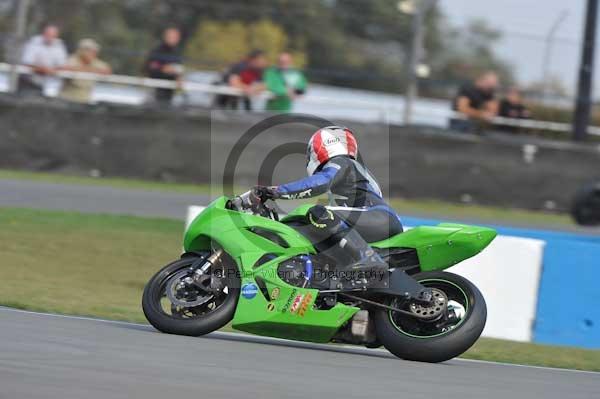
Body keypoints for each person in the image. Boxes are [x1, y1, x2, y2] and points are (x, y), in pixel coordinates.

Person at [252, 126, 432, 302]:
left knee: (317, 212)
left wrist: (276, 191)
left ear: (322, 147)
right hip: (373, 220)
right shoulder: (351, 171)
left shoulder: (342, 162)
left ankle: (368, 259)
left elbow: (319, 183)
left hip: (377, 217)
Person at [19, 24, 67, 96]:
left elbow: (62, 65)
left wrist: (51, 70)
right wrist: (43, 69)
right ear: (43, 33)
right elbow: (27, 62)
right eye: (48, 34)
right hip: (30, 83)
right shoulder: (34, 42)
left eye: (52, 35)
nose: (49, 37)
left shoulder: (59, 45)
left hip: (50, 85)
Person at [59, 39, 111, 103]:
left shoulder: (96, 62)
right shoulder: (73, 59)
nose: (92, 53)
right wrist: (89, 70)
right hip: (67, 99)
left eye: (93, 51)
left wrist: (84, 69)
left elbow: (106, 71)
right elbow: (64, 68)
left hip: (85, 100)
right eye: (88, 50)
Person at [144, 27, 184, 105]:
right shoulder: (157, 51)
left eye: (175, 37)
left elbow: (179, 69)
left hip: (169, 93)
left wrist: (179, 77)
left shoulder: (177, 53)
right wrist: (163, 68)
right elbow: (148, 67)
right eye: (170, 36)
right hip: (155, 90)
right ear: (165, 37)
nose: (172, 39)